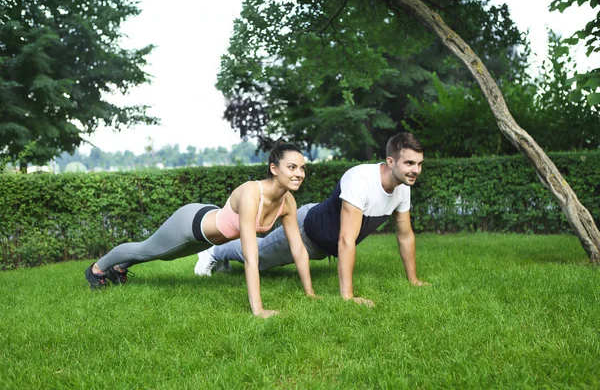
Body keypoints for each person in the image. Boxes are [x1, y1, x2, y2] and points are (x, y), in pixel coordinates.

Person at [195, 132, 430, 306]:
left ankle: (219, 254)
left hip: (322, 241)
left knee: (261, 255)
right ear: (391, 162)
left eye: (419, 164)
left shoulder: (402, 188)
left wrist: (414, 280)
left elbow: (405, 235)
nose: (416, 170)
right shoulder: (362, 180)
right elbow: (346, 240)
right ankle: (213, 252)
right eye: (409, 163)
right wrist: (347, 297)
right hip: (307, 231)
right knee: (260, 254)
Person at [84, 143, 316, 318]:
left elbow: (298, 249)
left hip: (208, 237)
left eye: (302, 168)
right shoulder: (252, 194)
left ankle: (120, 266)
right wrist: (259, 310)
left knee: (165, 256)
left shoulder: (288, 202)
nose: (299, 173)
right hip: (190, 224)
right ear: (274, 168)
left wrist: (310, 294)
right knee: (149, 250)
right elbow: (251, 256)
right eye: (292, 167)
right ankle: (97, 269)